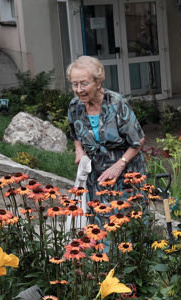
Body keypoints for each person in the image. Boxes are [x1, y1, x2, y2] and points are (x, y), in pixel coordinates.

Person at [67, 56, 146, 219]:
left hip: (125, 175)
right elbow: (75, 133)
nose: (79, 89)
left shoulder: (116, 103)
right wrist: (79, 150)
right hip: (95, 177)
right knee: (98, 225)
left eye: (84, 83)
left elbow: (138, 140)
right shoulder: (75, 106)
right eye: (75, 84)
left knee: (127, 224)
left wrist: (119, 165)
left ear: (98, 83)